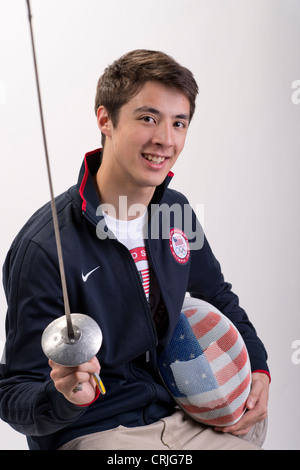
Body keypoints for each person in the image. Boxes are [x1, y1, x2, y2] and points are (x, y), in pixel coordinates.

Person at [0, 49, 270, 450]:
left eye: (178, 123)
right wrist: (63, 398)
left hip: (182, 410)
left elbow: (218, 296)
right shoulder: (46, 245)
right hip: (101, 430)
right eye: (148, 118)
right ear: (105, 119)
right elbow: (15, 391)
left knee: (255, 429)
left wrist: (259, 367)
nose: (165, 139)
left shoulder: (175, 211)